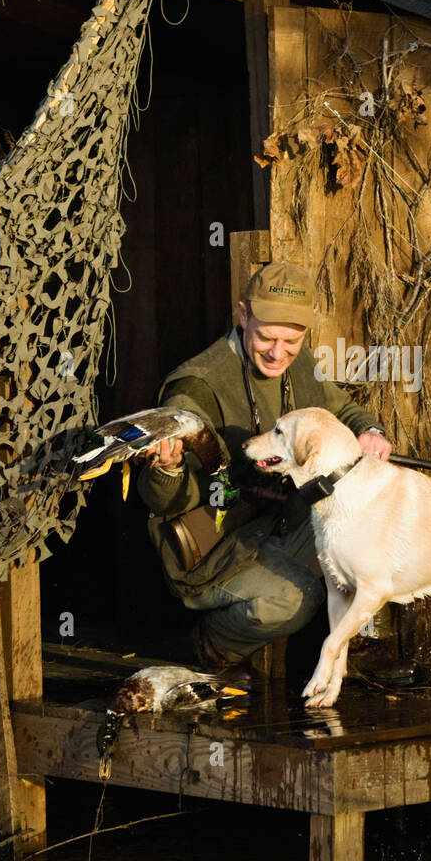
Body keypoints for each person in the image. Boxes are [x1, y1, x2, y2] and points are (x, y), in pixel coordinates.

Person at [136, 261, 392, 685]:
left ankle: (352, 641)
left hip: (280, 521)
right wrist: (167, 467)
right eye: (267, 338)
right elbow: (160, 501)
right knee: (295, 600)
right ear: (242, 316)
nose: (278, 353)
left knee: (372, 521)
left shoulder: (297, 361)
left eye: (292, 341)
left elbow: (341, 408)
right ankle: (215, 645)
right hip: (213, 545)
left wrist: (370, 430)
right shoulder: (196, 386)